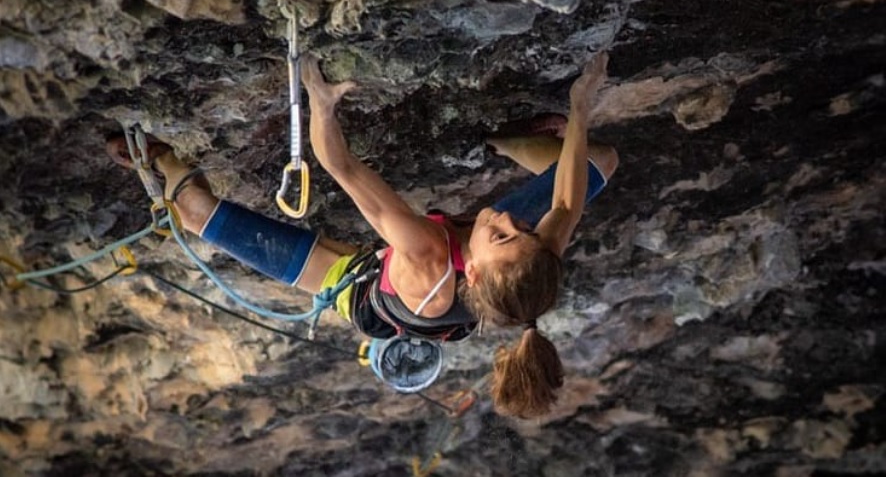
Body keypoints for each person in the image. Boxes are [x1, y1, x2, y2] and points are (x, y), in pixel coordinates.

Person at [107, 53, 617, 418]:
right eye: (522, 227)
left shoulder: (425, 253)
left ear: (478, 271)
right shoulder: (532, 262)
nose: (506, 219)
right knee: (600, 160)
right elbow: (567, 201)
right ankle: (507, 138)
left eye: (506, 233)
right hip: (457, 275)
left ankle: (154, 157)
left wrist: (322, 105)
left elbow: (342, 167)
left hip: (355, 286)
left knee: (195, 213)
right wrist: (579, 106)